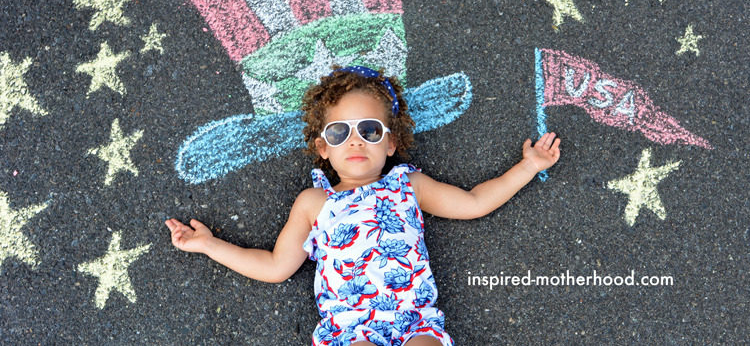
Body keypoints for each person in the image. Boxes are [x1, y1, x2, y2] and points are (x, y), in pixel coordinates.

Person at [165, 66, 561, 345]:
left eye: (369, 131)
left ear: (390, 143)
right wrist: (209, 245)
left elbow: (474, 202)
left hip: (415, 321)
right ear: (323, 148)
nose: (356, 141)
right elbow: (275, 267)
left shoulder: (409, 185)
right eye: (340, 132)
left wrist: (528, 167)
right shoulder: (313, 202)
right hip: (351, 330)